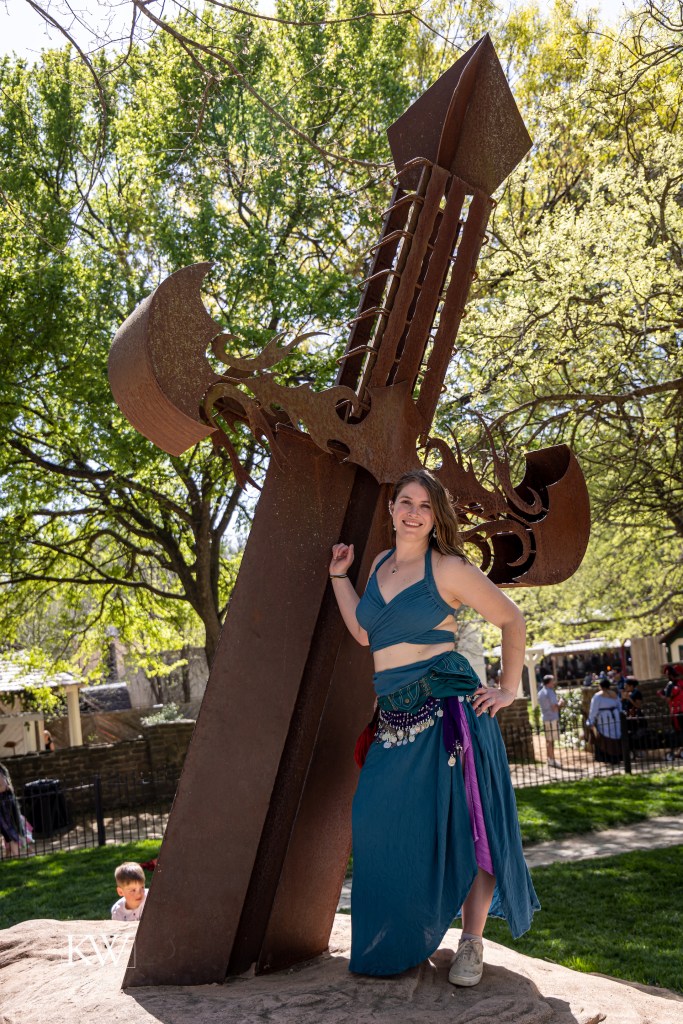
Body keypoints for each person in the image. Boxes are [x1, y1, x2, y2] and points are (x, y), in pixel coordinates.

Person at [329, 468, 539, 987]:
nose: (414, 512)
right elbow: (365, 633)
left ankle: (471, 942)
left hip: (448, 712)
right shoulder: (379, 563)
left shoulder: (448, 568)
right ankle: (402, 937)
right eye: (406, 501)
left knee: (469, 825)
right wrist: (339, 578)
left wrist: (509, 688)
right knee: (375, 819)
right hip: (394, 717)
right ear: (392, 508)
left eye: (425, 505)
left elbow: (511, 619)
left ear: (435, 514)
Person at [587, 679, 622, 763]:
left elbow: (593, 710)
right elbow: (619, 705)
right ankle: (616, 757)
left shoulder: (597, 696)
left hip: (604, 717)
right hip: (615, 716)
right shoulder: (614, 694)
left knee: (606, 735)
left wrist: (590, 721)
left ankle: (607, 757)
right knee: (615, 733)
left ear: (600, 686)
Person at [0, 762, 30, 858]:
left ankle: (17, 856)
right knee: (7, 831)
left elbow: (4, 786)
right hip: (5, 803)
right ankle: (12, 855)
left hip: (4, 804)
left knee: (9, 830)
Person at [537, 674, 565, 768]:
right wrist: (561, 703)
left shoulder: (540, 692)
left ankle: (549, 759)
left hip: (545, 718)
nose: (554, 683)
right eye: (553, 681)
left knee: (548, 740)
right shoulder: (550, 692)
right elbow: (554, 707)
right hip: (552, 718)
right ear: (549, 682)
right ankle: (552, 760)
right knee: (551, 740)